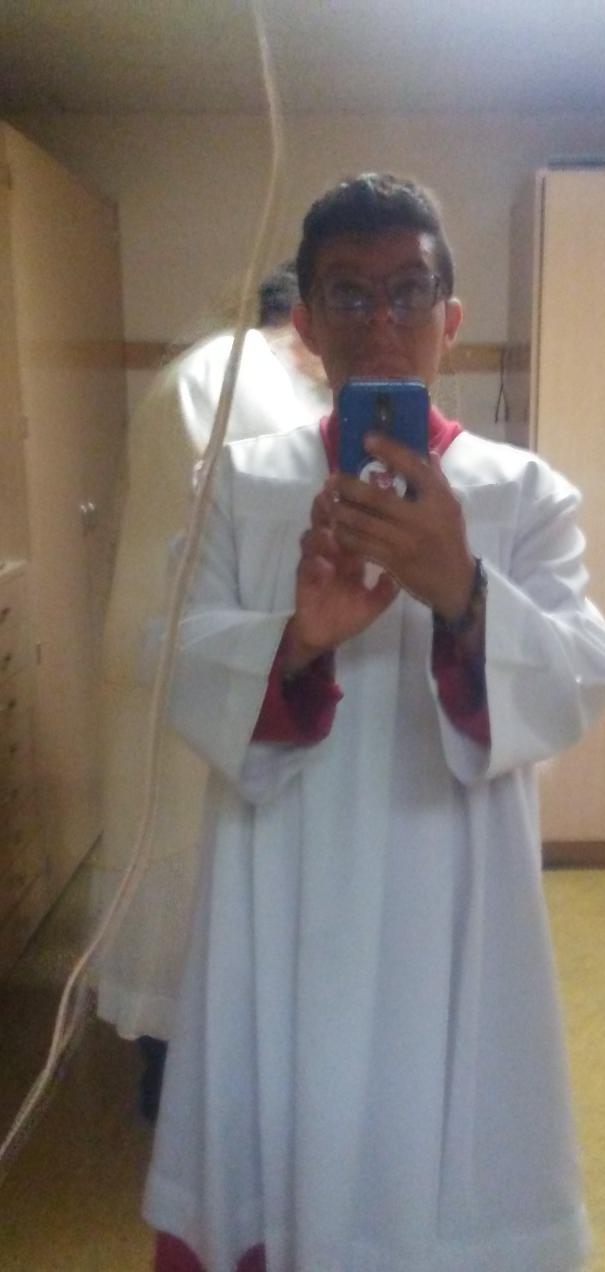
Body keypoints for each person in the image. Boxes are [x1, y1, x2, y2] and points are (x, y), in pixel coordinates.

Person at [143, 174, 605, 1272]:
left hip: (451, 894)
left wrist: (463, 591)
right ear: (306, 327)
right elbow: (175, 660)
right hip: (278, 885)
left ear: (450, 318)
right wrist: (296, 642)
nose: (381, 323)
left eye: (408, 292)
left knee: (446, 1136)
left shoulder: (523, 495)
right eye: (348, 295)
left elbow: (584, 675)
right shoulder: (236, 485)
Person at [92, 263, 329, 1117]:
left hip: (190, 658)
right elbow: (289, 514)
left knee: (181, 866)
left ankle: (185, 1071)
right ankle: (184, 1086)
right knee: (193, 870)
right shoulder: (239, 379)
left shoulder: (207, 369)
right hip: (199, 663)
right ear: (303, 323)